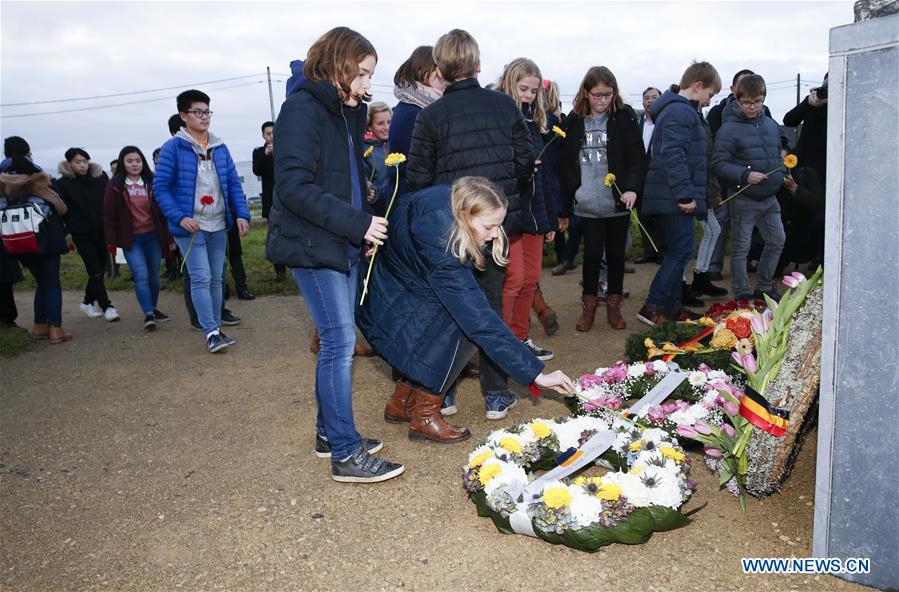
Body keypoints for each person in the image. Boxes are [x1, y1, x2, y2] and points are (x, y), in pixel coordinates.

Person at [269, 27, 404, 483]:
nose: (367, 85)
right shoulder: (301, 108)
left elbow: (340, 179)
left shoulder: (340, 110)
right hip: (313, 244)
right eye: (362, 74)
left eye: (370, 75)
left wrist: (360, 222)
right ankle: (346, 454)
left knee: (335, 341)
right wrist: (358, 223)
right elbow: (293, 187)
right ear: (339, 65)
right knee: (340, 342)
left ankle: (329, 434)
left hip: (339, 241)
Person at [359, 177, 575, 443]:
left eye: (499, 225)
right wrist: (537, 374)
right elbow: (480, 321)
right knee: (462, 330)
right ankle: (423, 417)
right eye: (489, 226)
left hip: (397, 283)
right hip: (393, 300)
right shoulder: (443, 241)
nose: (496, 234)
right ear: (465, 214)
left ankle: (402, 402)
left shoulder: (444, 197)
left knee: (458, 322)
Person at [405, 28, 535, 420]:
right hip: (496, 224)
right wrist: (510, 206)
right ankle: (496, 393)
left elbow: (417, 178)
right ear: (478, 65)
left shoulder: (430, 116)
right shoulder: (506, 106)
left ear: (441, 70)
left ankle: (443, 393)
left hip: (452, 226)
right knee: (491, 305)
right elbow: (526, 161)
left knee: (449, 306)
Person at [154, 89, 251, 353]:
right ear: (183, 116)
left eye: (207, 111)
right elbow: (160, 188)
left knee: (217, 277)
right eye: (198, 112)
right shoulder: (173, 147)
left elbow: (232, 183)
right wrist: (179, 217)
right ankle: (210, 331)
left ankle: (215, 326)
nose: (204, 116)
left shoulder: (220, 146)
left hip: (218, 222)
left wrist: (242, 214)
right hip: (191, 226)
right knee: (200, 277)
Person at [559, 66, 645, 331]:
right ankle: (589, 307)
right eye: (597, 95)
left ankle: (614, 307)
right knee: (592, 256)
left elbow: (637, 158)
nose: (602, 101)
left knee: (617, 256)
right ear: (586, 93)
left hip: (617, 201)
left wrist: (630, 188)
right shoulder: (573, 120)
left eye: (608, 95)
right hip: (586, 203)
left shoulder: (624, 117)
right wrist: (575, 191)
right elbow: (564, 161)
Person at [637, 61, 722, 327]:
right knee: (681, 251)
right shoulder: (680, 113)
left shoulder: (676, 111)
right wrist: (685, 195)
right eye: (710, 94)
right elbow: (673, 156)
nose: (708, 101)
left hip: (669, 196)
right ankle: (652, 305)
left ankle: (673, 308)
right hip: (673, 198)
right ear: (697, 86)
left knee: (677, 250)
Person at [494, 58, 557, 359]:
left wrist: (549, 220)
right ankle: (503, 343)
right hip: (507, 213)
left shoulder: (535, 121)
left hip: (532, 213)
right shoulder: (496, 115)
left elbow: (543, 175)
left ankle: (520, 338)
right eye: (523, 89)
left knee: (531, 279)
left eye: (534, 90)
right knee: (515, 279)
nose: (529, 96)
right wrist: (518, 168)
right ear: (509, 82)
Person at [712, 74, 786, 301]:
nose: (752, 107)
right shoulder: (728, 129)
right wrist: (745, 175)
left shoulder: (771, 124)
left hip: (770, 197)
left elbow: (777, 152)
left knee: (777, 240)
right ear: (737, 99)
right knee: (741, 248)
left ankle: (764, 285)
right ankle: (742, 293)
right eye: (747, 102)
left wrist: (782, 168)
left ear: (763, 98)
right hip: (744, 198)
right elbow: (718, 164)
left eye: (758, 101)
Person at [0, 151, 72, 343]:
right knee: (51, 284)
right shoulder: (36, 178)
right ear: (28, 153)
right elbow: (60, 207)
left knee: (42, 281)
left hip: (17, 240)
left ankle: (40, 325)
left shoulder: (2, 182)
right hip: (45, 239)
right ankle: (56, 328)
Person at [103, 146, 172, 331]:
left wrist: (169, 236)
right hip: (131, 239)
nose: (134, 164)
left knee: (154, 277)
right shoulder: (115, 185)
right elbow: (108, 215)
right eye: (130, 161)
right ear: (122, 163)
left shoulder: (152, 182)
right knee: (141, 275)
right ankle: (148, 314)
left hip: (153, 237)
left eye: (138, 160)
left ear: (143, 162)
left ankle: (153, 307)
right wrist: (111, 240)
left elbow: (163, 210)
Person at [54, 147, 120, 322]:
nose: (82, 165)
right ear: (69, 163)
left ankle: (87, 302)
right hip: (81, 233)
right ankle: (107, 306)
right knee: (95, 269)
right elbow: (62, 210)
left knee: (101, 267)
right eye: (77, 162)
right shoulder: (62, 184)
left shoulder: (100, 178)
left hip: (102, 230)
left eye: (84, 161)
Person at [388, 45, 447, 197]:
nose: (444, 82)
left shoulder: (413, 107)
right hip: (411, 196)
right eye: (439, 77)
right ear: (423, 72)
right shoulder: (413, 113)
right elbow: (420, 166)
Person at [252, 121, 285, 280]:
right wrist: (266, 154)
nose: (271, 136)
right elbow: (256, 170)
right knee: (275, 236)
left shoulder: (287, 148)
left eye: (274, 133)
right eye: (268, 134)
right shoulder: (258, 152)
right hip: (271, 201)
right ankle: (280, 272)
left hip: (289, 200)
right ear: (263, 135)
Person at [635, 86, 662, 265]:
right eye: (647, 98)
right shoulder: (638, 123)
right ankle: (649, 250)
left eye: (654, 97)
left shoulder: (665, 121)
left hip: (659, 176)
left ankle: (662, 251)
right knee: (643, 214)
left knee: (659, 215)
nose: (650, 101)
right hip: (640, 176)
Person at [783, 74, 828, 182]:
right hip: (806, 166)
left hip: (827, 164)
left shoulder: (846, 105)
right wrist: (809, 103)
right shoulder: (814, 101)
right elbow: (789, 120)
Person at [362, 102, 393, 216]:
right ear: (369, 126)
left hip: (396, 210)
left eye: (389, 122)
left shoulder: (395, 145)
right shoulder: (364, 150)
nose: (387, 127)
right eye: (380, 123)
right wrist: (374, 193)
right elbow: (367, 188)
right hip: (376, 213)